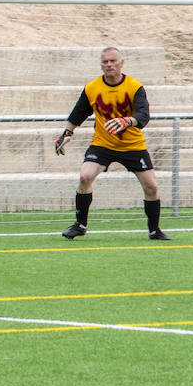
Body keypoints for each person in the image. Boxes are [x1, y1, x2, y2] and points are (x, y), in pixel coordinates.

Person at [54, 47, 171, 241]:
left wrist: (127, 121)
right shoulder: (92, 87)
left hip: (132, 145)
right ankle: (80, 225)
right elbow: (79, 112)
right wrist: (67, 132)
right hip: (103, 144)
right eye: (105, 62)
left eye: (112, 61)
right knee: (85, 177)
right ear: (101, 65)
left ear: (121, 63)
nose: (108, 64)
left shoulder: (134, 87)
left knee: (151, 187)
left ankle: (154, 231)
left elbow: (144, 115)